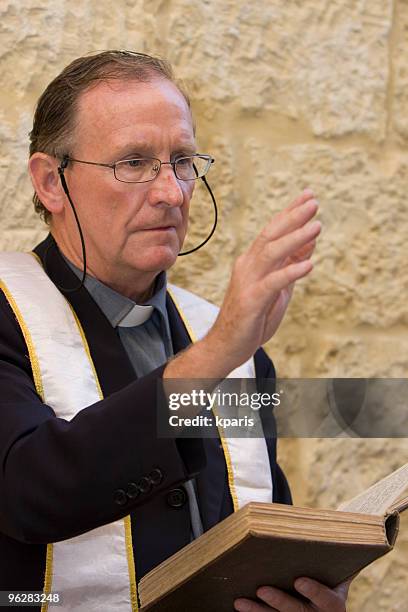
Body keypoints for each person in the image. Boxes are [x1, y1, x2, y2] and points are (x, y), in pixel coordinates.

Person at [0, 50, 351, 611]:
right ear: (51, 182)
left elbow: (256, 523)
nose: (170, 193)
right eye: (134, 162)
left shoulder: (229, 344)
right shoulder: (6, 311)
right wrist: (214, 354)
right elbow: (29, 490)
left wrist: (305, 588)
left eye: (182, 160)